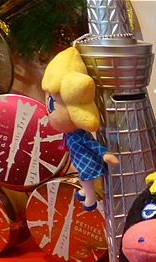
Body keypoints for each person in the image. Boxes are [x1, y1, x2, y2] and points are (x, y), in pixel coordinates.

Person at [42, 47, 117, 211]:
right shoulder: (69, 133)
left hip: (86, 160)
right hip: (79, 159)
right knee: (82, 177)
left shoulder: (79, 134)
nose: (48, 111)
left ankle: (90, 199)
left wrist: (105, 154)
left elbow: (92, 144)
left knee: (86, 177)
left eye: (51, 105)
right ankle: (85, 191)